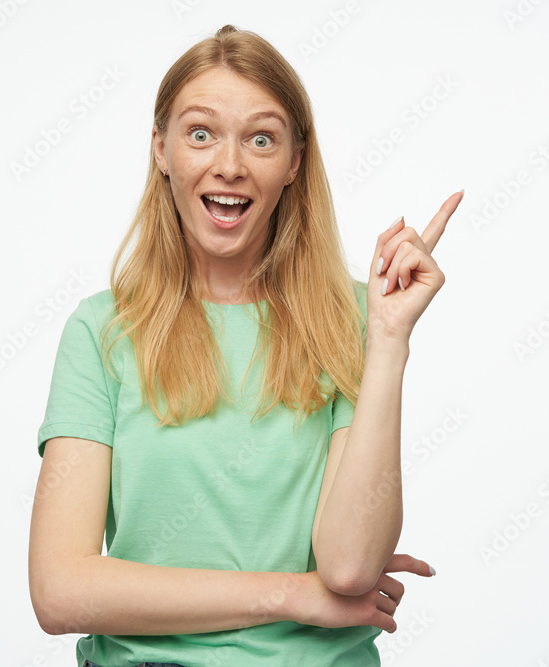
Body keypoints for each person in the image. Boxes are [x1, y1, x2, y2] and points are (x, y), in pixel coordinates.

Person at [27, 24, 462, 667]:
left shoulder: (356, 318)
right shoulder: (102, 331)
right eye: (201, 133)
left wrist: (391, 339)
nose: (229, 164)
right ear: (162, 149)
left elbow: (348, 567)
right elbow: (60, 591)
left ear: (292, 162)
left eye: (261, 138)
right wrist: (291, 595)